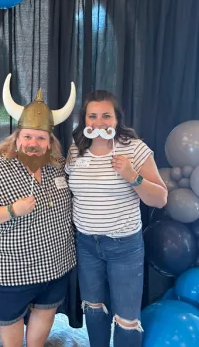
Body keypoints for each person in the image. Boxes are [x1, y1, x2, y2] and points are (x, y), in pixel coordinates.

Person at [0, 74, 77, 347]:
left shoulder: (57, 166)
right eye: (27, 136)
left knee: (45, 311)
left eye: (40, 137)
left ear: (49, 142)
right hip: (8, 270)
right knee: (10, 323)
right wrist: (12, 210)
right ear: (16, 138)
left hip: (54, 265)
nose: (33, 143)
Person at [65, 90, 167, 347]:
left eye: (106, 116)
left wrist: (133, 176)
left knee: (127, 317)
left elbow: (160, 199)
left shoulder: (135, 149)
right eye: (93, 116)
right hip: (86, 244)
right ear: (84, 120)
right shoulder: (76, 150)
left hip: (124, 247)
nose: (99, 123)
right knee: (94, 308)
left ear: (117, 119)